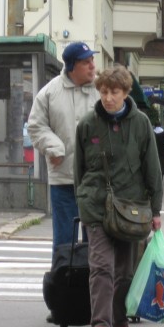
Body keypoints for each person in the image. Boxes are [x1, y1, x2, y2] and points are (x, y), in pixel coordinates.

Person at [74, 65, 163, 327]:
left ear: (125, 93)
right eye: (103, 91)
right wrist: (83, 200)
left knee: (125, 271)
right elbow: (80, 169)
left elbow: (153, 169)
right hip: (97, 206)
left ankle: (120, 321)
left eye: (114, 92)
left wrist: (156, 210)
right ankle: (101, 326)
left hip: (131, 208)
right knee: (101, 266)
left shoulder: (140, 124)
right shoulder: (88, 125)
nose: (108, 97)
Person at [28, 42, 100, 250]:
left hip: (95, 180)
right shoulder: (49, 93)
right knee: (64, 243)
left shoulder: (101, 91)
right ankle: (63, 281)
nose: (92, 66)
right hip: (63, 180)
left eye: (92, 60)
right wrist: (54, 147)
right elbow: (35, 126)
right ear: (71, 67)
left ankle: (92, 283)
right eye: (86, 62)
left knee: (96, 244)